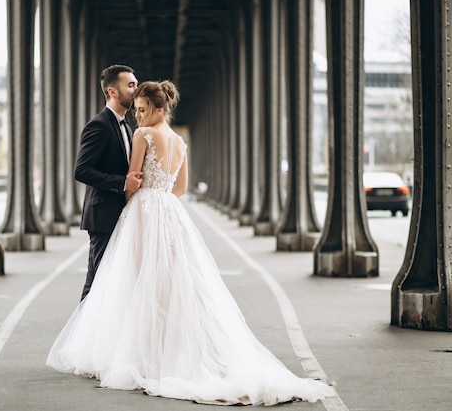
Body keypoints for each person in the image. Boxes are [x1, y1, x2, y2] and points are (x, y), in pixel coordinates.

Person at [47, 80, 335, 405]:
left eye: (141, 110)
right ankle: (174, 349)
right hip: (171, 212)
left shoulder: (143, 136)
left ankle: (140, 354)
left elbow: (132, 181)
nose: (137, 116)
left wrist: (136, 203)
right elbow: (181, 188)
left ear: (157, 109)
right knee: (174, 283)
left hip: (143, 210)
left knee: (136, 281)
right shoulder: (180, 142)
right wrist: (161, 202)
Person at [74, 64, 142, 301]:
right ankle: (82, 335)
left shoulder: (128, 126)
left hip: (123, 214)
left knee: (113, 280)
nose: (136, 89)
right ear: (112, 91)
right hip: (103, 216)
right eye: (130, 85)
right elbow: (81, 170)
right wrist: (122, 183)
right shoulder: (99, 126)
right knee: (97, 281)